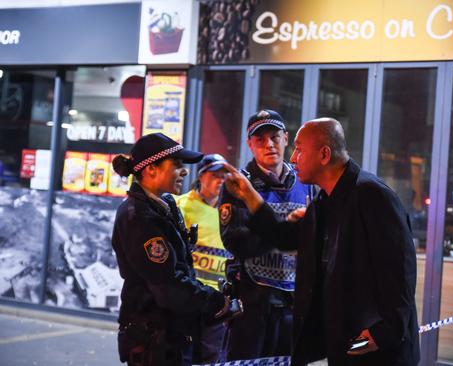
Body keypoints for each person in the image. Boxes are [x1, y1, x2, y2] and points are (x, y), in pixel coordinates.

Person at [222, 118, 420, 366]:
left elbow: (399, 268)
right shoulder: (325, 201)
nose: (293, 159)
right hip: (348, 341)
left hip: (376, 346)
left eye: (299, 149)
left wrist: (386, 330)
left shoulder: (371, 194)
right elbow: (285, 237)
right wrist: (250, 196)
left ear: (324, 154)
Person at [111, 133, 231, 366]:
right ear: (151, 169)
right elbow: (168, 285)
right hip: (154, 340)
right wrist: (217, 302)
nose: (185, 171)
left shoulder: (164, 204)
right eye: (176, 165)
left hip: (173, 335)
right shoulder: (138, 216)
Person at [219, 109, 313, 361]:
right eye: (260, 140)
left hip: (294, 305)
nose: (268, 144)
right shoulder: (238, 184)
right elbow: (236, 241)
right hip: (254, 306)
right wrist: (285, 233)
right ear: (250, 145)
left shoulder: (307, 181)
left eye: (274, 136)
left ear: (286, 138)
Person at [174, 153, 233, 364]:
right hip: (188, 299)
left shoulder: (230, 212)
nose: (220, 180)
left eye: (224, 176)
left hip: (217, 304)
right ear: (201, 177)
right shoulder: (179, 206)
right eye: (215, 175)